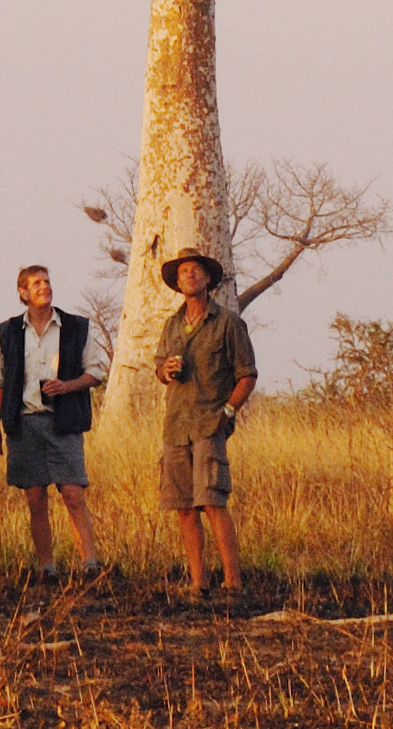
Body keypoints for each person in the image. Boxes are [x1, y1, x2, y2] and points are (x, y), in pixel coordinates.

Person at [148, 248, 255, 597]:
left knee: (212, 502)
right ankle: (198, 584)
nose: (190, 276)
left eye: (196, 271)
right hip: (175, 424)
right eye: (183, 273)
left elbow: (247, 375)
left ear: (208, 279)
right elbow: (160, 367)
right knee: (182, 508)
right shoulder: (172, 325)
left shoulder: (228, 323)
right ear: (177, 283)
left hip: (210, 422)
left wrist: (228, 411)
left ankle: (233, 583)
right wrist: (165, 371)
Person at [0, 262, 102, 577]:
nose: (44, 287)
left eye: (47, 282)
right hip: (24, 423)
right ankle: (47, 567)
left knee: (73, 493)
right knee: (35, 497)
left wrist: (67, 386)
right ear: (23, 293)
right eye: (36, 283)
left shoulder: (76, 326)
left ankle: (90, 564)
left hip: (63, 421)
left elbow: (96, 372)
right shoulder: (9, 331)